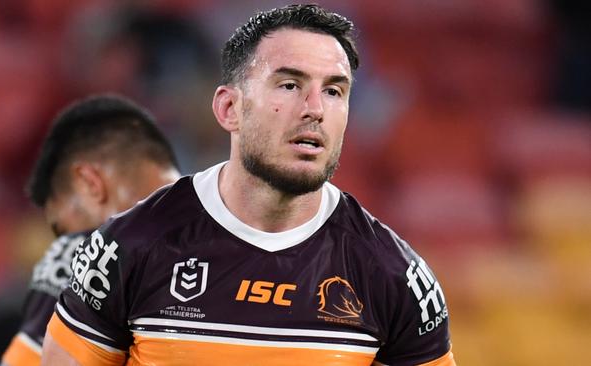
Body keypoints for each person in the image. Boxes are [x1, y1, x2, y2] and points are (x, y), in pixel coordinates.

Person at [42, 4, 456, 365]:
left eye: (333, 91)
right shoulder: (130, 245)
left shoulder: (393, 275)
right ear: (229, 108)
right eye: (290, 85)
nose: (314, 109)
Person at [0, 94, 181, 366]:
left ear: (89, 183)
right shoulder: (251, 235)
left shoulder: (82, 255)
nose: (65, 239)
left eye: (62, 228)